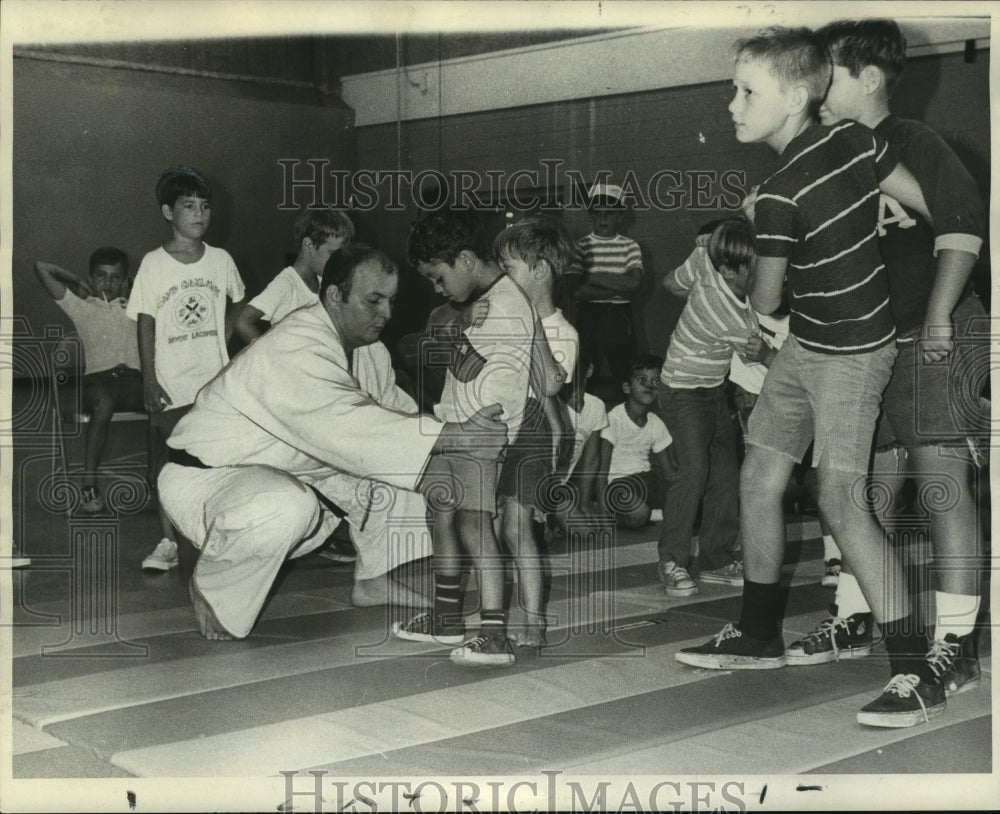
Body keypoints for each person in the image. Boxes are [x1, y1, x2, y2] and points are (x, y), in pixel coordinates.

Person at [675, 26, 942, 730]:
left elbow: (764, 302)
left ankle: (916, 673)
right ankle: (760, 634)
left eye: (746, 91)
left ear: (796, 96)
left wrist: (780, 244)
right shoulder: (854, 139)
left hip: (851, 355)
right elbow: (922, 203)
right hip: (815, 345)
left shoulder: (776, 194)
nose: (731, 105)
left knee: (840, 497)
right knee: (761, 473)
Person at [782, 20, 987, 701]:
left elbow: (963, 226)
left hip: (937, 329)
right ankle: (853, 617)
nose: (814, 89)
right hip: (869, 346)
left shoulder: (913, 142)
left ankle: (955, 648)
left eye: (828, 75)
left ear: (869, 78)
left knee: (941, 486)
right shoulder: (829, 155)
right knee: (863, 489)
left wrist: (938, 316)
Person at [157, 244, 507, 640]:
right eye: (373, 300)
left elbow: (397, 417)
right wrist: (458, 435)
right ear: (335, 296)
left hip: (285, 473)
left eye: (391, 301)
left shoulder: (367, 348)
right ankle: (216, 595)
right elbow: (348, 423)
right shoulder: (296, 342)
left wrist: (450, 440)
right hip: (208, 481)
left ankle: (373, 579)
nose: (387, 314)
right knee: (287, 504)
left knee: (421, 470)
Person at [394, 208, 535, 668]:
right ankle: (448, 617)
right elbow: (443, 357)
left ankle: (494, 634)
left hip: (481, 430)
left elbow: (477, 371)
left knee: (476, 526)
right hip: (456, 424)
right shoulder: (482, 302)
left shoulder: (508, 303)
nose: (438, 289)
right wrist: (453, 331)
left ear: (467, 260)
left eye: (439, 277)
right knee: (442, 515)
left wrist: (450, 335)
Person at [127, 166, 245, 573]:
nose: (200, 214)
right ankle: (167, 541)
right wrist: (149, 378)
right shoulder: (153, 264)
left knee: (220, 460)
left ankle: (221, 535)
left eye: (206, 206)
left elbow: (236, 309)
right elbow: (146, 323)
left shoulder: (221, 260)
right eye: (189, 206)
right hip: (171, 383)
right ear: (167, 212)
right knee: (169, 462)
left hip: (214, 384)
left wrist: (224, 350)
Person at [657, 218, 763, 597]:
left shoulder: (706, 259)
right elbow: (766, 356)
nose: (764, 273)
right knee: (695, 472)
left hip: (712, 388)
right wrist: (763, 351)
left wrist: (704, 246)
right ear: (730, 269)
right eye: (756, 267)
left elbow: (671, 283)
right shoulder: (732, 315)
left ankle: (715, 559)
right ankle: (672, 560)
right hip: (682, 390)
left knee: (726, 473)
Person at [493, 216, 579, 648]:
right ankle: (512, 608)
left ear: (540, 270)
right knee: (504, 529)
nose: (502, 280)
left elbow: (548, 389)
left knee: (519, 528)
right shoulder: (511, 321)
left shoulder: (562, 331)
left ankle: (534, 618)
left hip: (535, 431)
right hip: (508, 429)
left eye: (509, 270)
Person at [35, 248, 146, 514]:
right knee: (103, 402)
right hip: (98, 384)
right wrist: (77, 281)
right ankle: (89, 485)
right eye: (100, 276)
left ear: (126, 281)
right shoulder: (81, 307)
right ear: (91, 278)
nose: (108, 283)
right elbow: (41, 267)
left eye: (115, 277)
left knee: (165, 401)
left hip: (133, 382)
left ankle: (159, 479)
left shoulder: (138, 308)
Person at [234, 208, 354, 344]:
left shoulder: (323, 283)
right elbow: (242, 322)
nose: (338, 262)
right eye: (333, 254)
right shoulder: (286, 283)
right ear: (308, 244)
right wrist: (271, 356)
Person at [573, 183, 644, 386]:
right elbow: (577, 291)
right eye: (598, 213)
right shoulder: (580, 246)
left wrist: (593, 277)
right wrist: (618, 289)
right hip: (588, 316)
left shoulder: (630, 246)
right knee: (584, 375)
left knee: (627, 376)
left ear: (620, 216)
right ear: (590, 216)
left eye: (610, 214)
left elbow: (634, 282)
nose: (603, 219)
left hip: (620, 318)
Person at [596, 355, 676, 529]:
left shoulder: (655, 422)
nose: (649, 385)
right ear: (627, 387)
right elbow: (601, 474)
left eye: (655, 381)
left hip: (648, 481)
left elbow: (668, 474)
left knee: (686, 497)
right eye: (642, 380)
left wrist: (679, 496)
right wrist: (604, 516)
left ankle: (653, 513)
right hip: (619, 485)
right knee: (639, 514)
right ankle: (643, 514)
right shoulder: (613, 420)